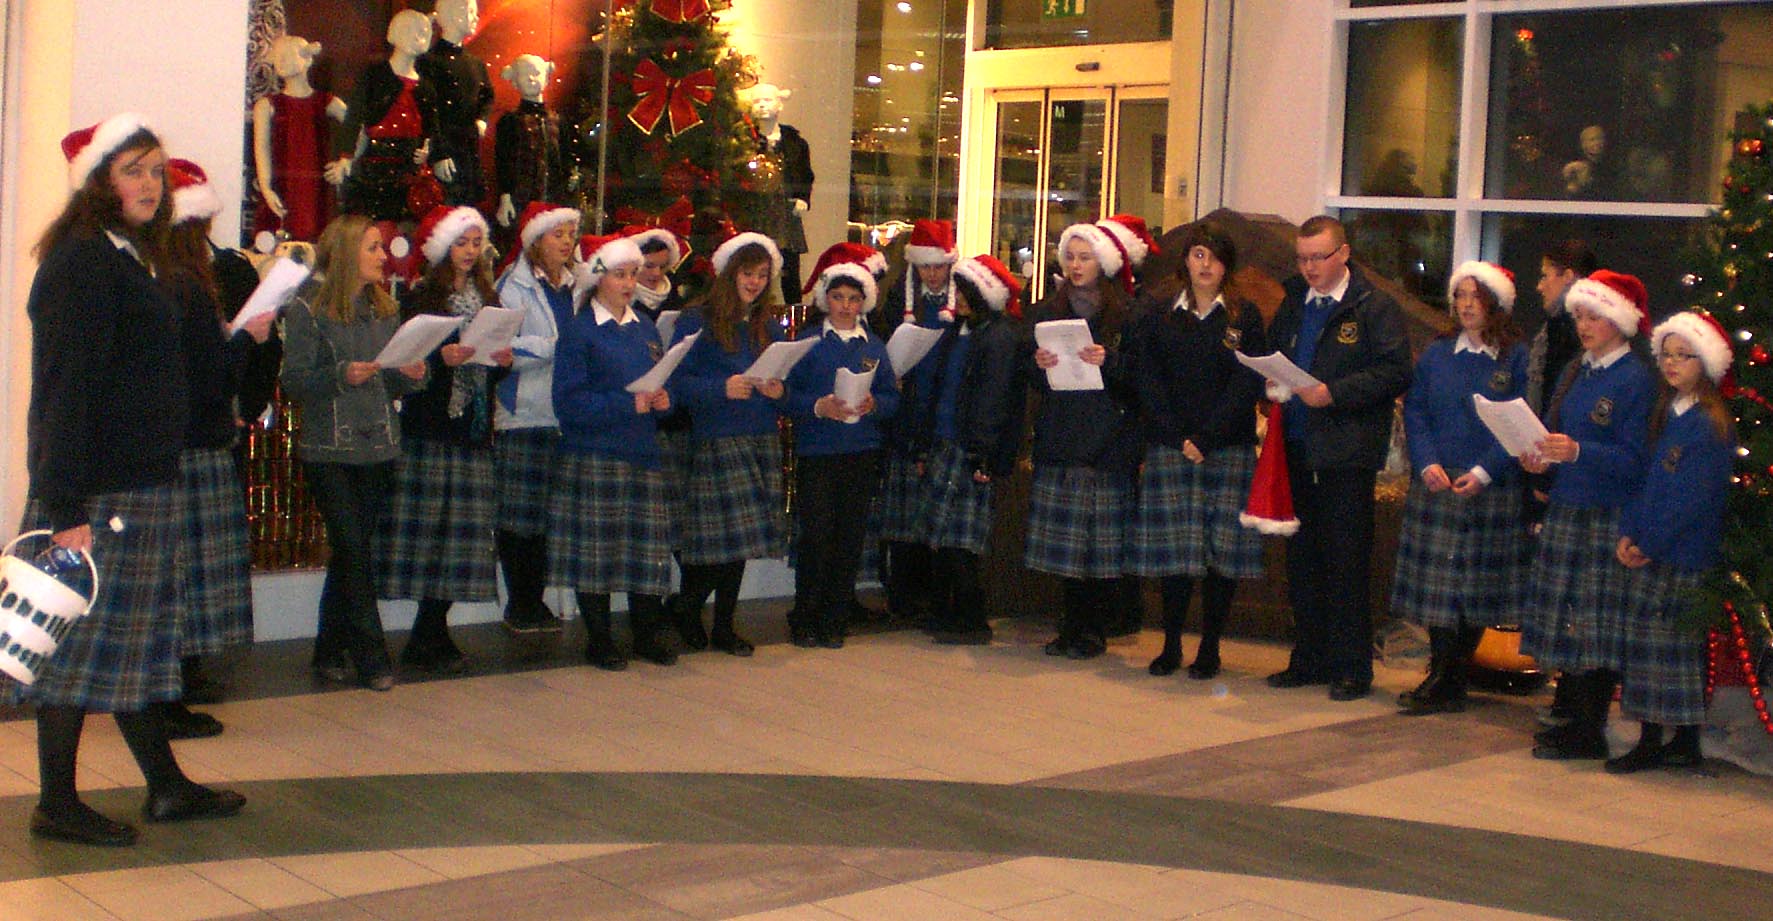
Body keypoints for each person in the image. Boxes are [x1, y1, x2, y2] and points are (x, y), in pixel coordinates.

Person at [13, 114, 244, 846]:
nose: (151, 183)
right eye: (133, 170)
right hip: (102, 493)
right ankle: (55, 801)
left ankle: (167, 787)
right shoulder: (82, 262)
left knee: (133, 644)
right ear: (99, 182)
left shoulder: (135, 257)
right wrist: (64, 505)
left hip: (143, 481)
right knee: (79, 651)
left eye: (157, 170)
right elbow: (63, 390)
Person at [1264, 215, 1412, 701]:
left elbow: (1394, 372)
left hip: (1346, 453)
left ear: (1343, 254)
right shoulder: (1292, 303)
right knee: (1302, 559)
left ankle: (1351, 666)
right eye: (1302, 258)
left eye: (1318, 258)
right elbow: (1275, 352)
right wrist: (1270, 381)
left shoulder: (1373, 307)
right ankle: (1309, 656)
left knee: (1346, 561)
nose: (1308, 268)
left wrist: (1337, 393)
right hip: (1298, 447)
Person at [282, 214, 429, 691]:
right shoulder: (307, 309)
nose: (383, 257)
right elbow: (294, 381)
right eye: (372, 248)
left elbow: (391, 376)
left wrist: (411, 373)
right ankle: (372, 656)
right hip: (330, 447)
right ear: (347, 253)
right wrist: (340, 373)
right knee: (352, 548)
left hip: (379, 443)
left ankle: (328, 651)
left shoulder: (385, 308)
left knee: (353, 551)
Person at [157, 159, 275, 739]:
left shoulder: (167, 277)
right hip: (192, 442)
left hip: (183, 439)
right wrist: (244, 340)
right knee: (185, 573)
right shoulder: (184, 285)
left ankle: (175, 685)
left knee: (181, 571)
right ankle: (169, 693)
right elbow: (203, 372)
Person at [1518, 270, 1655, 760]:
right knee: (1566, 617)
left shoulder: (1636, 378)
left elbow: (1638, 460)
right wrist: (1542, 455)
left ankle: (1588, 726)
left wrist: (1578, 452)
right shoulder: (1580, 369)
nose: (1584, 325)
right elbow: (1560, 432)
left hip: (1605, 510)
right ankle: (1572, 715)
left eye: (1594, 315)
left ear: (1619, 320)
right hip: (1569, 504)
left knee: (1596, 623)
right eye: (1578, 316)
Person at [1125, 222, 1266, 679]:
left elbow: (1249, 381)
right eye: (1199, 255)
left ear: (1228, 266)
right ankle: (1169, 645)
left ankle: (1210, 647)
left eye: (1216, 257)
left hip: (1227, 447)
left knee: (1220, 554)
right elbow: (1147, 378)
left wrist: (1206, 438)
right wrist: (1178, 435)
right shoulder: (1160, 312)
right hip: (1171, 446)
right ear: (1186, 260)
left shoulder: (1244, 317)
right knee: (1176, 552)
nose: (1206, 265)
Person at [1390, 262, 1530, 714]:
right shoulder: (1437, 354)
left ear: (1497, 304)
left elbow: (1519, 420)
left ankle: (1452, 675)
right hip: (1439, 482)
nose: (1467, 305)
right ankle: (1442, 672)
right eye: (1460, 297)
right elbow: (1417, 411)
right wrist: (1427, 461)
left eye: (1476, 297)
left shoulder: (1516, 359)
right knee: (1438, 586)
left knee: (1472, 586)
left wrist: (1485, 471)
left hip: (1488, 486)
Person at [380, 206, 511, 674]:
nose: (470, 252)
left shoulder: (486, 295)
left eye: (476, 243)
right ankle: (425, 632)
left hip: (473, 429)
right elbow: (406, 362)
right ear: (442, 248)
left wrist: (501, 358)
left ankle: (433, 628)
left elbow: (493, 368)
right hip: (432, 427)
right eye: (462, 243)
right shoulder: (422, 297)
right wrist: (442, 362)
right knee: (429, 536)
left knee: (462, 538)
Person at [1608, 312, 1734, 773]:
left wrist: (1651, 544)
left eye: (1685, 356)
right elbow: (1646, 482)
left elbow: (1691, 500)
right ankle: (1657, 737)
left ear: (1705, 363)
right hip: (1651, 549)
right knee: (1646, 649)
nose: (1673, 363)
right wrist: (1630, 532)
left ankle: (1673, 739)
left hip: (1681, 556)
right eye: (1667, 355)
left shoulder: (1707, 425)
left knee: (1674, 651)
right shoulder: (1667, 414)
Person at [551, 233, 679, 670]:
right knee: (596, 553)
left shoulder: (644, 328)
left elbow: (664, 386)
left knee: (645, 551)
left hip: (641, 453)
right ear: (598, 279)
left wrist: (665, 401)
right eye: (620, 275)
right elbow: (568, 403)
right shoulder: (580, 330)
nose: (628, 283)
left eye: (633, 275)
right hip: (596, 454)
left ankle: (645, 633)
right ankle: (600, 638)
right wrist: (627, 403)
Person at [1025, 221, 1144, 660]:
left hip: (1108, 440)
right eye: (1070, 257)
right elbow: (1031, 377)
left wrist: (1109, 361)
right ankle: (1068, 626)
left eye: (1084, 257)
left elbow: (1142, 381)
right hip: (1062, 435)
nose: (1075, 266)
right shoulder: (1045, 310)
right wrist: (1039, 363)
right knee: (1067, 546)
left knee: (1100, 545)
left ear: (1104, 263)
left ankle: (1095, 628)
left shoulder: (1128, 315)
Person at [668, 232, 789, 656]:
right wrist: (721, 387)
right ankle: (685, 606)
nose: (754, 282)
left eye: (761, 275)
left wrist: (778, 389)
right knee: (718, 543)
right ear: (728, 273)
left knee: (741, 542)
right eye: (747, 273)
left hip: (759, 434)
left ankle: (722, 624)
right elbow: (676, 381)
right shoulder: (696, 320)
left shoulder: (765, 324)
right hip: (718, 435)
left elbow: (781, 377)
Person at [906, 253, 1027, 645]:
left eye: (964, 292)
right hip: (944, 442)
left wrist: (985, 455)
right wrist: (925, 445)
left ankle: (972, 616)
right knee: (940, 536)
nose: (956, 298)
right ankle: (946, 611)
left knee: (963, 541)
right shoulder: (956, 332)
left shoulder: (1000, 336)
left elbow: (995, 401)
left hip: (971, 449)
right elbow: (940, 390)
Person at [783, 251, 901, 648]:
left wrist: (876, 405)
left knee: (849, 538)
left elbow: (891, 395)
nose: (847, 306)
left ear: (864, 302)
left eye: (854, 299)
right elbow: (786, 393)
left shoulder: (875, 345)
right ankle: (805, 616)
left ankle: (835, 617)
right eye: (839, 298)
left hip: (861, 450)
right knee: (816, 536)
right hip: (818, 451)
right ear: (825, 299)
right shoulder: (807, 342)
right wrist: (818, 406)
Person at [492, 202, 580, 634]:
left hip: (566, 414)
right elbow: (505, 350)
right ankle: (522, 601)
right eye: (557, 234)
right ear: (534, 240)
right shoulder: (513, 286)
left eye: (570, 234)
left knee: (551, 515)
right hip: (525, 412)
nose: (566, 242)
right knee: (520, 514)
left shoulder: (578, 285)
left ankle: (539, 596)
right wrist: (558, 346)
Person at [1525, 239, 1598, 731]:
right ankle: (1566, 695)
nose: (1540, 283)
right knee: (1560, 598)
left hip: (1584, 493)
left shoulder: (1574, 344)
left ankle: (1578, 702)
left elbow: (1573, 424)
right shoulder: (1561, 340)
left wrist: (1557, 463)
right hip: (1555, 472)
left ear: (1570, 277)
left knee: (1582, 603)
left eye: (1547, 273)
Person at [876, 219, 958, 625]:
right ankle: (903, 595)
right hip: (907, 413)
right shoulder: (898, 300)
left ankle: (932, 595)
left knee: (935, 515)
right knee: (904, 515)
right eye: (925, 267)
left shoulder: (962, 304)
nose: (932, 274)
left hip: (943, 414)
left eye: (938, 266)